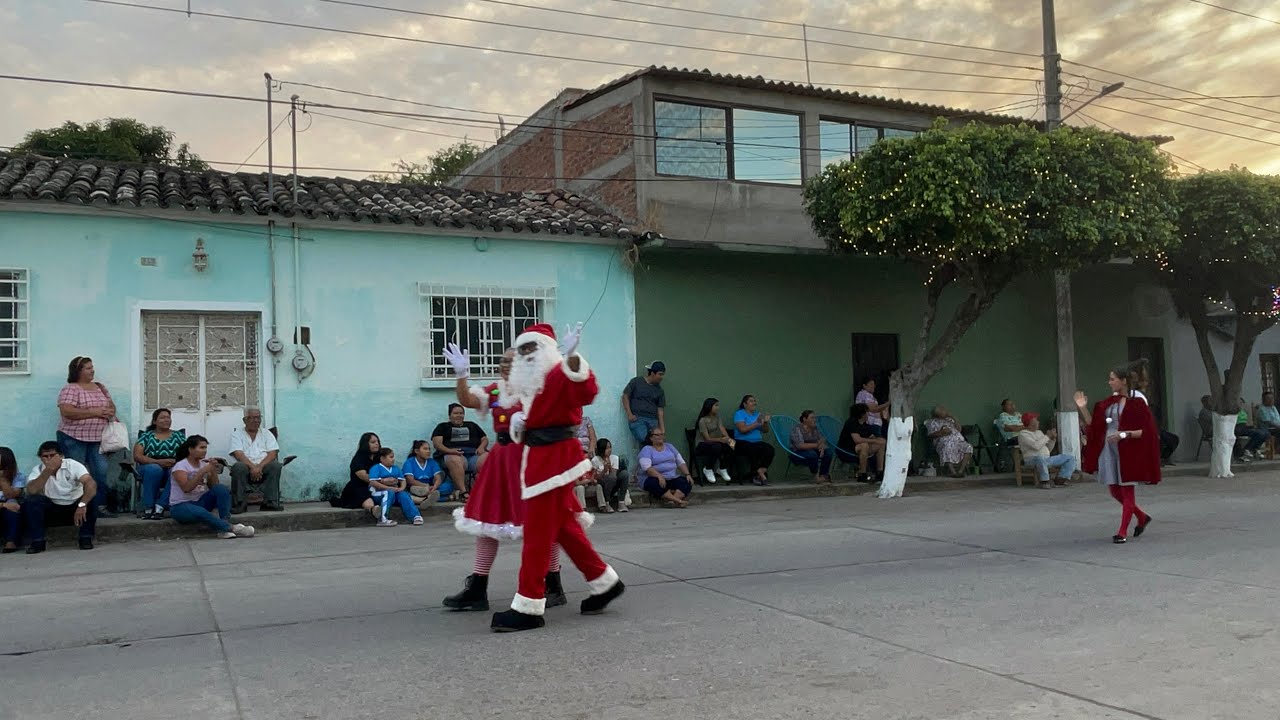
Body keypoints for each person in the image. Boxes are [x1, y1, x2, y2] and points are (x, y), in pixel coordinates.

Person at [489, 323, 625, 634]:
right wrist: (523, 422)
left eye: (530, 349)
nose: (525, 355)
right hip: (543, 457)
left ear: (546, 350)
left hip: (552, 461)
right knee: (564, 527)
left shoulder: (558, 372)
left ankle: (528, 605)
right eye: (521, 349)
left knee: (537, 533)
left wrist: (574, 357)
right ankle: (604, 582)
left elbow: (586, 390)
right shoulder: (535, 382)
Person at [439, 346, 568, 614]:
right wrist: (461, 374)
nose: (505, 365)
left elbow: (558, 413)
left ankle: (553, 584)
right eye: (502, 361)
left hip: (531, 459)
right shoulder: (496, 389)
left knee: (545, 522)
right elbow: (467, 400)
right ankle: (477, 588)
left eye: (511, 361)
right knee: (485, 522)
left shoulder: (536, 389)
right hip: (500, 461)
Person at [1077, 364, 1161, 544]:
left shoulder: (1136, 403)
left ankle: (1122, 532)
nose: (1109, 382)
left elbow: (1147, 431)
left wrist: (1124, 434)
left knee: (1127, 490)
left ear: (1123, 381)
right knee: (1115, 491)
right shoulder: (1108, 403)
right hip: (1109, 450)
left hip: (1128, 451)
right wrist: (1083, 408)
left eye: (1113, 378)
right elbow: (1095, 426)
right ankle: (1142, 516)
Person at [56, 356, 116, 519]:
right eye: (88, 368)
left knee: (100, 472)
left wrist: (110, 412)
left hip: (98, 439)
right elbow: (66, 411)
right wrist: (94, 412)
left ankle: (99, 506)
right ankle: (76, 507)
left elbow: (111, 406)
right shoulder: (71, 389)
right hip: (74, 438)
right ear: (78, 371)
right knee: (76, 474)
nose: (92, 370)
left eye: (92, 367)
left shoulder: (100, 387)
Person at [170, 435, 255, 539]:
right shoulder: (180, 466)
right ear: (191, 449)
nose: (204, 451)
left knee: (222, 489)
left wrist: (212, 470)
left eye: (205, 448)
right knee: (201, 512)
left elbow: (214, 487)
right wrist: (202, 472)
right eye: (201, 448)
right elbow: (186, 488)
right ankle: (232, 528)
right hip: (181, 506)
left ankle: (223, 526)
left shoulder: (204, 464)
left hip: (200, 501)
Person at [22, 441, 97, 553]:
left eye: (52, 455)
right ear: (40, 458)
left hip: (75, 507)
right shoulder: (38, 470)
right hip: (52, 508)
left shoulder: (73, 465)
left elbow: (90, 483)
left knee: (91, 497)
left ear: (61, 456)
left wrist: (82, 504)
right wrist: (48, 471)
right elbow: (32, 490)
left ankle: (85, 537)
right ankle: (38, 541)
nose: (49, 459)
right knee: (32, 501)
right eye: (45, 456)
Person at [134, 408, 186, 520]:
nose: (166, 420)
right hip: (149, 465)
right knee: (154, 469)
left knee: (176, 471)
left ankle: (160, 506)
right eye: (162, 418)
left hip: (172, 464)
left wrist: (176, 463)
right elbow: (138, 456)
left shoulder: (178, 436)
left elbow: (188, 454)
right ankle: (148, 507)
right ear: (154, 421)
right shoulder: (146, 436)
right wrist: (158, 462)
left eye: (168, 417)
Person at [228, 408, 284, 512]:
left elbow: (272, 453)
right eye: (253, 418)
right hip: (245, 468)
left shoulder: (266, 433)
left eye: (258, 418)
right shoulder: (237, 434)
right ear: (245, 420)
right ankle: (240, 504)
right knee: (238, 467)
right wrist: (253, 467)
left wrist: (259, 467)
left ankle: (270, 503)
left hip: (263, 467)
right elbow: (238, 454)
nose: (256, 421)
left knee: (275, 466)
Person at [432, 403, 489, 501]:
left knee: (488, 457)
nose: (459, 415)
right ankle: (464, 492)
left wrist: (481, 447)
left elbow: (484, 438)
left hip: (473, 455)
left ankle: (484, 490)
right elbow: (437, 444)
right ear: (450, 416)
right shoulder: (442, 427)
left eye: (461, 413)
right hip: (452, 455)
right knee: (454, 459)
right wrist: (451, 451)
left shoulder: (472, 425)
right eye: (455, 413)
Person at [1016, 413, 1077, 489]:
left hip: (1046, 458)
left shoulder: (1039, 432)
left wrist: (1052, 439)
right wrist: (1047, 436)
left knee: (1070, 458)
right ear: (1031, 423)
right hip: (1032, 459)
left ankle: (1061, 479)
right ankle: (1044, 481)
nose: (1038, 422)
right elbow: (1036, 446)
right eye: (1036, 420)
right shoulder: (1023, 434)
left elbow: (1048, 449)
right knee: (1040, 458)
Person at [638, 428, 694, 508]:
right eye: (657, 435)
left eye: (662, 434)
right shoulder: (647, 449)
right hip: (655, 478)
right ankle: (678, 501)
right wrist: (659, 476)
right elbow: (647, 468)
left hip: (671, 477)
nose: (660, 437)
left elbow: (680, 461)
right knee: (653, 483)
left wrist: (687, 474)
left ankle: (671, 500)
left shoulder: (669, 446)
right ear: (651, 438)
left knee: (687, 481)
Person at [367, 448, 423, 527]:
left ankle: (415, 516)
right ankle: (382, 519)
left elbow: (403, 480)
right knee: (388, 492)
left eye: (393, 457)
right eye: (391, 457)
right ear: (382, 458)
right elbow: (373, 482)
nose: (393, 459)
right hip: (378, 493)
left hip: (393, 492)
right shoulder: (376, 468)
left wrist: (401, 488)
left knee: (403, 495)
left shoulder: (395, 468)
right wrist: (387, 487)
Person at [837, 403, 885, 483]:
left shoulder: (865, 424)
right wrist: (874, 441)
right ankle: (862, 474)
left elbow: (871, 436)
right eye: (867, 412)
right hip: (847, 449)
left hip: (859, 449)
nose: (868, 414)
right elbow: (857, 440)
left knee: (880, 444)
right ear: (862, 414)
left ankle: (879, 472)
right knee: (864, 445)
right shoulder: (851, 422)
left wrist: (879, 440)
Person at [732, 395, 775, 486]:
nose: (754, 403)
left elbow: (765, 430)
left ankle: (761, 471)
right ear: (745, 404)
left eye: (755, 401)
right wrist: (756, 423)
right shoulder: (739, 414)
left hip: (757, 442)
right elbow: (742, 430)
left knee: (770, 449)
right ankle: (757, 474)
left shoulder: (757, 414)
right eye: (751, 401)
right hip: (741, 442)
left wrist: (765, 423)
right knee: (755, 449)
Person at [622, 361, 666, 444]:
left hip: (653, 420)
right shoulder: (636, 382)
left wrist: (662, 428)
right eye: (660, 374)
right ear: (652, 373)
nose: (661, 377)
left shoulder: (660, 390)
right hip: (638, 418)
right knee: (645, 440)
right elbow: (625, 396)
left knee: (656, 442)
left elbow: (660, 410)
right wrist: (629, 414)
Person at [336, 433, 381, 513]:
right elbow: (365, 477)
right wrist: (384, 481)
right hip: (359, 487)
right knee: (367, 499)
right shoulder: (358, 459)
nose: (377, 444)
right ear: (365, 444)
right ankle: (373, 509)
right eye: (373, 442)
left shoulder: (379, 457)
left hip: (376, 486)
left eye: (377, 441)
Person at [923, 406, 973, 478]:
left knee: (968, 447)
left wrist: (953, 418)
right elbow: (930, 435)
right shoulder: (932, 422)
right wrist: (942, 432)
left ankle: (960, 471)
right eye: (943, 412)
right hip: (944, 441)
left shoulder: (950, 420)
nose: (946, 413)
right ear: (938, 414)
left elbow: (959, 429)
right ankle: (953, 472)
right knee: (948, 446)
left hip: (958, 441)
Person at [694, 397, 734, 484]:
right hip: (702, 445)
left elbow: (722, 428)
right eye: (716, 405)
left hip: (716, 442)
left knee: (732, 444)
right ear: (709, 406)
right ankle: (708, 469)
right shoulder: (702, 420)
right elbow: (707, 439)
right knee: (717, 447)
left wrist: (728, 439)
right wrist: (720, 439)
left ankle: (722, 468)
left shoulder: (717, 417)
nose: (718, 407)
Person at [790, 410, 833, 484]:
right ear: (804, 419)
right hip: (798, 452)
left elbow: (822, 438)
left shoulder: (814, 428)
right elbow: (800, 445)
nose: (814, 420)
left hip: (813, 449)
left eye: (815, 418)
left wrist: (821, 447)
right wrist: (817, 445)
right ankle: (815, 475)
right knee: (812, 454)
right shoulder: (797, 429)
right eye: (812, 418)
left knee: (828, 452)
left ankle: (823, 475)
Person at [591, 439, 630, 513]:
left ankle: (621, 502)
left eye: (610, 447)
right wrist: (604, 471)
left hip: (613, 482)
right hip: (602, 483)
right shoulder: (595, 460)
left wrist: (610, 467)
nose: (609, 450)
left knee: (624, 474)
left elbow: (613, 474)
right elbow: (596, 477)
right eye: (607, 448)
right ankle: (607, 502)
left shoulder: (614, 458)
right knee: (610, 478)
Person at [403, 440, 444, 509]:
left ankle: (424, 498)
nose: (428, 451)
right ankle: (447, 497)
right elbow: (410, 480)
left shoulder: (432, 462)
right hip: (417, 486)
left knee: (448, 486)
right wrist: (426, 486)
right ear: (417, 451)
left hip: (431, 487)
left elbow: (438, 478)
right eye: (425, 449)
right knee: (407, 492)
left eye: (429, 449)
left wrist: (434, 487)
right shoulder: (409, 462)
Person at [1, 446, 25, 553]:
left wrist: (2, 480)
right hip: (3, 505)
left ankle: (11, 541)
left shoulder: (18, 476)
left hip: (9, 504)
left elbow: (12, 495)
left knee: (12, 503)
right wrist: (3, 505)